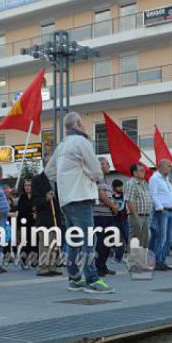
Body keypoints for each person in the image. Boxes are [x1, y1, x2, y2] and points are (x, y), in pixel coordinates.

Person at [45, 111, 113, 294]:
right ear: (77, 124)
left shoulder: (62, 145)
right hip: (81, 196)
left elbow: (49, 171)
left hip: (66, 199)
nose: (84, 126)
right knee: (88, 239)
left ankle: (75, 278)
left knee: (74, 240)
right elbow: (97, 171)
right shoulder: (82, 142)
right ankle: (92, 279)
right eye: (82, 123)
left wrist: (66, 180)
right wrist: (87, 176)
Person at [32, 168, 62, 277]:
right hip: (44, 218)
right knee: (45, 243)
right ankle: (43, 268)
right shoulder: (38, 179)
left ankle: (52, 266)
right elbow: (34, 200)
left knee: (54, 244)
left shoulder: (57, 179)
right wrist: (46, 198)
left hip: (56, 217)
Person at [149, 159, 172, 271]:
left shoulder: (167, 180)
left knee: (170, 238)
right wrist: (160, 208)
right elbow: (153, 195)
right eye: (169, 166)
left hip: (170, 210)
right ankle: (157, 262)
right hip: (162, 212)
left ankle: (162, 260)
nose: (170, 168)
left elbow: (169, 195)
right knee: (162, 237)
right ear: (161, 166)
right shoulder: (155, 179)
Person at [93, 157, 119, 277]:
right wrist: (113, 206)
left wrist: (115, 204)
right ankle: (98, 266)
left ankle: (103, 265)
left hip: (108, 215)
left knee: (108, 241)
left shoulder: (106, 180)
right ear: (100, 165)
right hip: (100, 215)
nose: (109, 166)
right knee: (102, 241)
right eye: (107, 164)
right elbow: (102, 196)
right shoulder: (98, 179)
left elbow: (109, 196)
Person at [124, 163, 153, 250]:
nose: (144, 172)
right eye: (141, 170)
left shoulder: (144, 183)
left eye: (143, 170)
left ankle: (141, 261)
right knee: (135, 239)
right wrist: (135, 216)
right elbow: (130, 200)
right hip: (136, 216)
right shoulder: (131, 184)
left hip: (146, 216)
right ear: (135, 173)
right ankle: (133, 262)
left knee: (144, 240)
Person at [17, 178, 37, 267]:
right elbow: (21, 210)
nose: (27, 187)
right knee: (25, 242)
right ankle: (24, 260)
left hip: (34, 222)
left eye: (29, 185)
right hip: (24, 223)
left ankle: (34, 260)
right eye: (26, 185)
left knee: (35, 242)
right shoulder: (22, 197)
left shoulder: (36, 196)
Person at [111, 179, 128, 264]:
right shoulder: (111, 196)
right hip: (115, 220)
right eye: (118, 186)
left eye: (121, 186)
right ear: (114, 187)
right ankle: (118, 257)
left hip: (124, 219)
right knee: (117, 239)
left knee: (128, 237)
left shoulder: (124, 195)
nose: (120, 188)